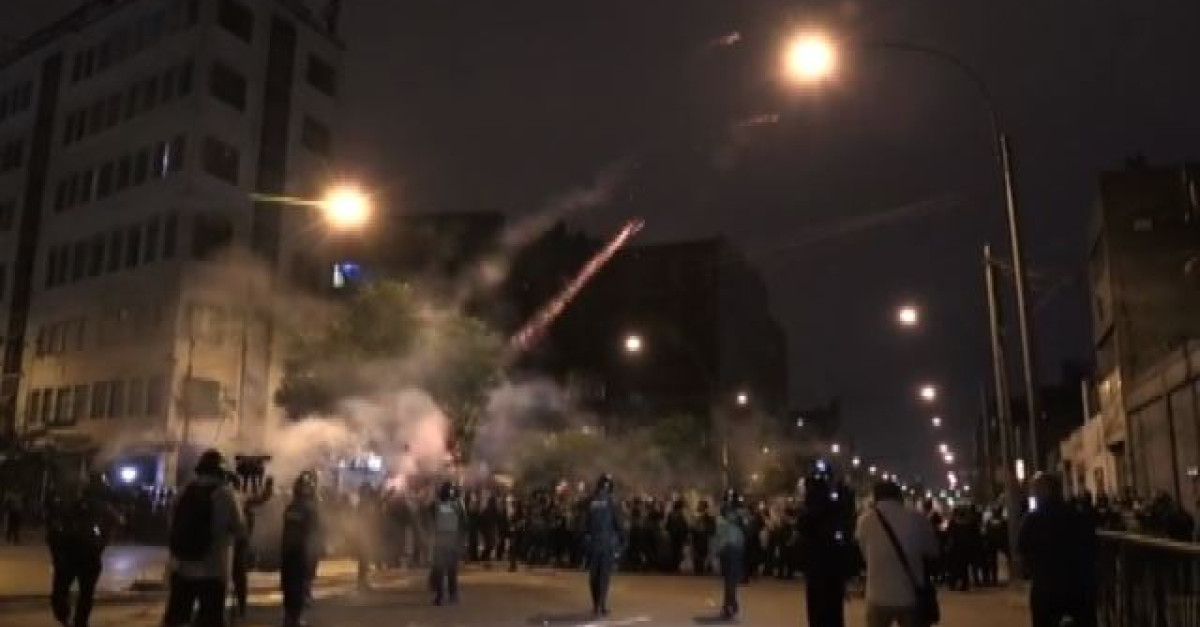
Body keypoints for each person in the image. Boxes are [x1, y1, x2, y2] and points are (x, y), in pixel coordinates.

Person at [162, 450, 248, 627]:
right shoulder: (226, 494)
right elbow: (240, 530)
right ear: (221, 472)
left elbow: (171, 525)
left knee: (176, 619)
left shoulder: (183, 492)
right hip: (213, 571)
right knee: (211, 620)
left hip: (182, 568)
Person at [855, 480, 940, 627]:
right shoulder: (916, 518)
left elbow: (863, 553)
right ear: (899, 496)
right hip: (910, 593)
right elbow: (932, 550)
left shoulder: (864, 520)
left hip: (877, 593)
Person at [1018, 473, 1098, 627]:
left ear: (1043, 492)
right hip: (1079, 586)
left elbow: (1022, 547)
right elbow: (1092, 546)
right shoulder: (1077, 515)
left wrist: (1033, 567)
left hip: (1047, 587)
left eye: (1035, 491)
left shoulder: (1033, 519)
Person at [47, 474, 121, 627]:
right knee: (82, 594)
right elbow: (55, 532)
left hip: (79, 556)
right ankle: (74, 619)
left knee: (73, 593)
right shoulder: (77, 507)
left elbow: (54, 532)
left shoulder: (102, 509)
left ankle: (71, 618)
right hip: (78, 556)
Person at [797, 470, 855, 627]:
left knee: (818, 613)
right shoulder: (837, 512)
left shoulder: (808, 516)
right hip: (834, 570)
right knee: (834, 612)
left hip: (817, 570)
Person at [280, 472, 322, 627]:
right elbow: (314, 532)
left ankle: (288, 617)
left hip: (288, 551)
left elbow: (286, 530)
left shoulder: (290, 508)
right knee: (298, 585)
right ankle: (295, 618)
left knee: (288, 585)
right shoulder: (309, 509)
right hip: (301, 551)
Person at [583, 474, 623, 617]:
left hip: (595, 545)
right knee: (603, 576)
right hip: (605, 545)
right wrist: (621, 542)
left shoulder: (591, 502)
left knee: (595, 576)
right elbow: (618, 524)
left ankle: (597, 604)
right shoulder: (611, 502)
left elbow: (585, 525)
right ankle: (600, 605)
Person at [429, 481, 466, 606]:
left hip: (440, 539)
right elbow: (464, 522)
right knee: (451, 569)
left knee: (440, 568)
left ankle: (440, 596)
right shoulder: (457, 505)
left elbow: (430, 518)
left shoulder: (436, 504)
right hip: (452, 539)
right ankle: (452, 594)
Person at [712, 492, 745, 620]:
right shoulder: (730, 524)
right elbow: (722, 540)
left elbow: (719, 540)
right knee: (731, 581)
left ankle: (730, 605)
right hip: (732, 552)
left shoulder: (726, 524)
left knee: (730, 581)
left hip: (731, 552)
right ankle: (730, 605)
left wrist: (716, 553)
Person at [692, 500, 716, 575]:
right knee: (699, 553)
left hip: (703, 537)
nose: (699, 507)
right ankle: (699, 568)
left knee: (702, 553)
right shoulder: (697, 516)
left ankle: (701, 567)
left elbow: (712, 528)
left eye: (700, 506)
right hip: (699, 537)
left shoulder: (708, 517)